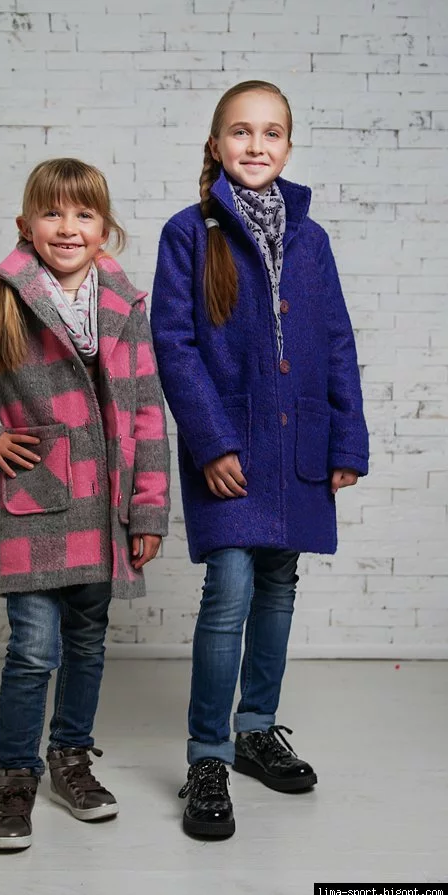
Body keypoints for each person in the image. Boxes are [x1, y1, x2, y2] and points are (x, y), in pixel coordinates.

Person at [0, 158, 170, 850]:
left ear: (104, 229)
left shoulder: (126, 304)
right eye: (52, 213)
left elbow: (147, 414)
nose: (68, 227)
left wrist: (148, 511)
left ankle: (71, 760)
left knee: (86, 644)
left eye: (84, 214)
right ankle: (15, 778)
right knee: (31, 650)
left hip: (106, 510)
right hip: (38, 501)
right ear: (26, 225)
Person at [150, 81, 368, 839]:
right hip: (233, 445)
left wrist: (345, 440)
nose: (255, 144)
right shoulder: (187, 233)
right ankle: (208, 755)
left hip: (299, 441)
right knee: (231, 589)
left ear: (288, 146)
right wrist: (211, 443)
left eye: (271, 132)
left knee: (279, 585)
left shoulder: (312, 240)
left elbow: (336, 340)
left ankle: (256, 729)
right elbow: (174, 344)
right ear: (215, 145)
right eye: (240, 131)